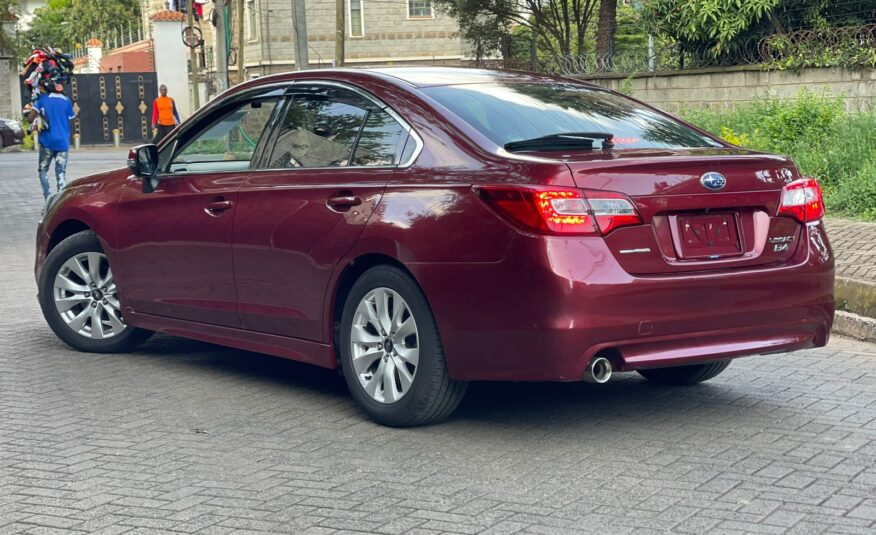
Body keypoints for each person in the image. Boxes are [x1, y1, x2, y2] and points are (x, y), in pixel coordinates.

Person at [26, 85, 76, 200]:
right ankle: (60, 201)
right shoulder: (66, 101)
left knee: (43, 170)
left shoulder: (42, 99)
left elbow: (29, 119)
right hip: (62, 143)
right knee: (61, 172)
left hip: (47, 142)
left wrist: (35, 111)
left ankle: (48, 198)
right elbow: (72, 122)